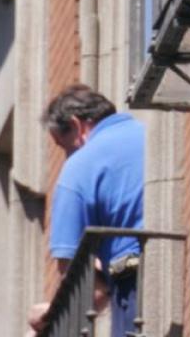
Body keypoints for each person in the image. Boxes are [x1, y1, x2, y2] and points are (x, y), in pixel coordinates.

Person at [27, 85, 145, 336]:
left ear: (76, 125)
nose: (67, 156)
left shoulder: (79, 166)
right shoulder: (147, 134)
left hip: (131, 289)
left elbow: (78, 281)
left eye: (63, 146)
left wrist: (49, 316)